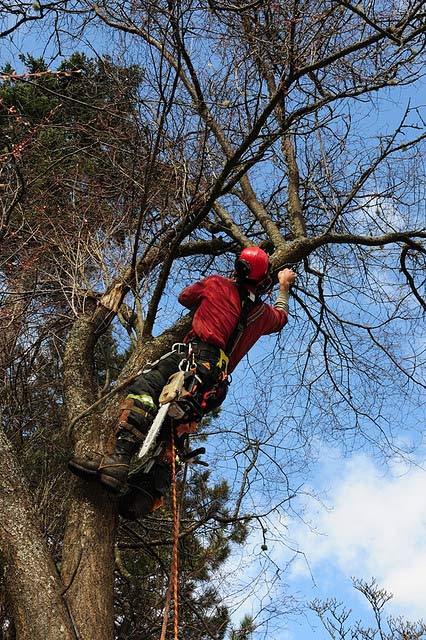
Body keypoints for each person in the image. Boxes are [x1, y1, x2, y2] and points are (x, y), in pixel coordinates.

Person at [68, 247, 295, 518]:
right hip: (215, 383)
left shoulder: (216, 284)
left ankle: (118, 460)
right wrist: (284, 286)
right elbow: (281, 317)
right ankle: (145, 494)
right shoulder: (262, 315)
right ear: (262, 280)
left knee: (145, 389)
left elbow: (185, 297)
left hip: (192, 357)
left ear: (237, 268)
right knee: (175, 429)